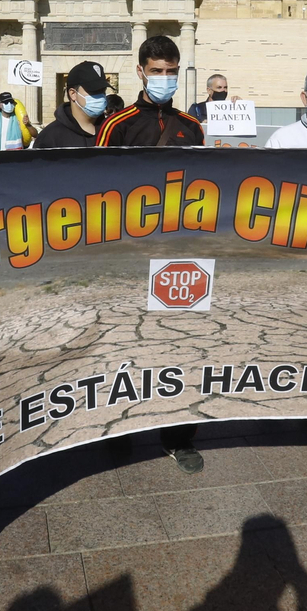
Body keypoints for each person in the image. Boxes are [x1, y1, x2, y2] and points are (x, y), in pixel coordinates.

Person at [96, 35, 206, 470]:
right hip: (129, 253)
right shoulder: (117, 125)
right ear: (140, 72)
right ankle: (119, 429)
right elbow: (96, 190)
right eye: (157, 71)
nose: (164, 78)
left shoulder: (191, 126)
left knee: (183, 346)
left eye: (171, 71)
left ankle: (179, 436)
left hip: (181, 253)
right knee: (123, 343)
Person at [34, 61, 110, 148]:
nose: (100, 96)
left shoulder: (112, 131)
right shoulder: (50, 138)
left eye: (102, 91)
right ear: (73, 94)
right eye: (93, 91)